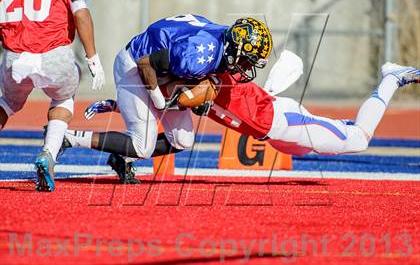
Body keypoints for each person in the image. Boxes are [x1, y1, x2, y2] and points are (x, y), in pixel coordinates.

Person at [78, 58, 419, 183]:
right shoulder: (196, 83)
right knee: (317, 148)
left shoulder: (210, 80)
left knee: (358, 139)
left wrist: (115, 104)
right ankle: (336, 125)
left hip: (284, 119)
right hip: (275, 133)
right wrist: (115, 104)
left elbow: (171, 98)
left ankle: (392, 77)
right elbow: (157, 104)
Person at [60, 14, 273, 183]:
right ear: (236, 49)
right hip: (134, 66)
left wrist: (194, 100)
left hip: (161, 71)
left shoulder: (220, 42)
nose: (247, 67)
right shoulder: (198, 55)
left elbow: (182, 75)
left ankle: (122, 157)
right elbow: (146, 63)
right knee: (142, 146)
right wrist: (160, 101)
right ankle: (69, 137)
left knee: (183, 140)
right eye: (247, 61)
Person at [0, 0, 105, 191]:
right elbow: (80, 12)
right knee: (63, 97)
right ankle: (49, 153)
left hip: (14, 54)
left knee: (7, 102)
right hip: (54, 52)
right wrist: (93, 57)